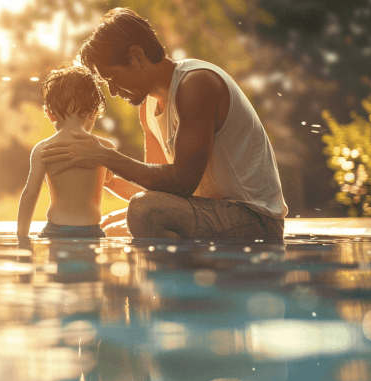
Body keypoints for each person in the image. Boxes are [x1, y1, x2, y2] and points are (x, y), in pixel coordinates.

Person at [40, 8, 288, 241]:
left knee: (144, 210)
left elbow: (182, 182)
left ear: (136, 57)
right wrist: (110, 180)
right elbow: (160, 189)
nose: (113, 91)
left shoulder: (196, 84)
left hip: (256, 219)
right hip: (214, 213)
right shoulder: (148, 108)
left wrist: (105, 156)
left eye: (113, 78)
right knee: (128, 216)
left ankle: (178, 273)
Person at [17, 65, 117, 238]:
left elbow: (30, 194)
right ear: (93, 113)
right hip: (90, 230)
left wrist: (22, 236)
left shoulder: (42, 149)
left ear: (50, 114)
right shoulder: (105, 147)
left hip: (55, 230)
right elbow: (108, 179)